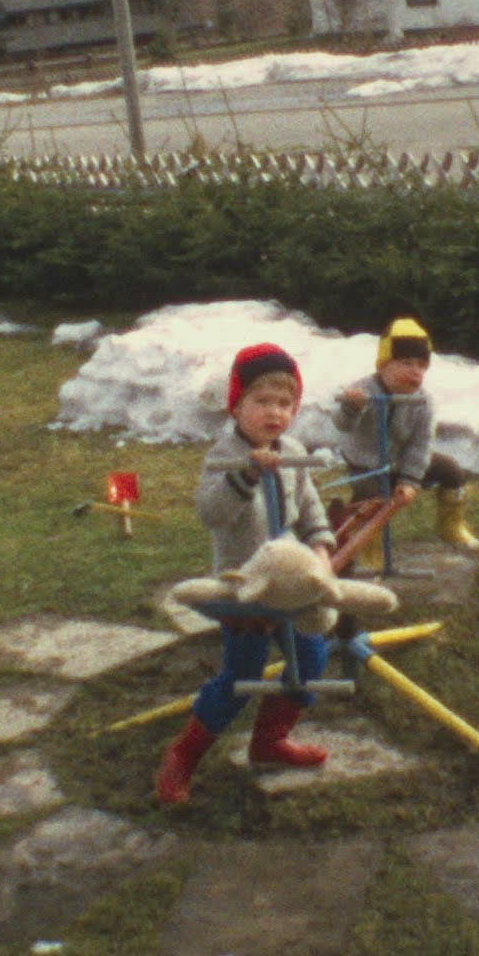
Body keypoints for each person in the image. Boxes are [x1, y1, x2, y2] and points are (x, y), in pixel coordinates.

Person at [156, 343, 340, 805]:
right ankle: (184, 754)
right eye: (262, 401)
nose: (274, 412)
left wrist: (321, 549)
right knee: (242, 675)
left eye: (285, 403)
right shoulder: (224, 455)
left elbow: (310, 507)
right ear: (236, 406)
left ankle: (270, 741)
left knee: (311, 660)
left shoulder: (293, 451)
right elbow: (212, 512)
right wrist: (247, 475)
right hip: (245, 589)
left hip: (290, 583)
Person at [332, 318, 479, 569]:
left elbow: (421, 444)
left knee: (451, 471)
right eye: (406, 363)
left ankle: (450, 525)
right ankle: (369, 547)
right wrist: (352, 407)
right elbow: (343, 425)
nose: (415, 371)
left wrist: (410, 480)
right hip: (366, 463)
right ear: (384, 365)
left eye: (422, 366)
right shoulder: (362, 391)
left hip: (402, 460)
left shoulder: (423, 402)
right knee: (369, 498)